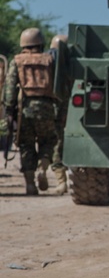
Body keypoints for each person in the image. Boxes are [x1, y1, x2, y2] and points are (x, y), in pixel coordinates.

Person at [2, 28, 60, 195]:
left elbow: (10, 88)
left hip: (24, 110)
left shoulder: (17, 61)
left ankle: (30, 185)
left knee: (26, 145)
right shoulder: (50, 60)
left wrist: (9, 108)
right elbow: (57, 86)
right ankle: (42, 166)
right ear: (41, 43)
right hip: (47, 108)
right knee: (48, 141)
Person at [42, 34, 70, 195]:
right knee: (58, 142)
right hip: (64, 109)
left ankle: (41, 167)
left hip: (45, 106)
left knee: (45, 140)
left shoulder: (44, 60)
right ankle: (61, 181)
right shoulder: (71, 62)